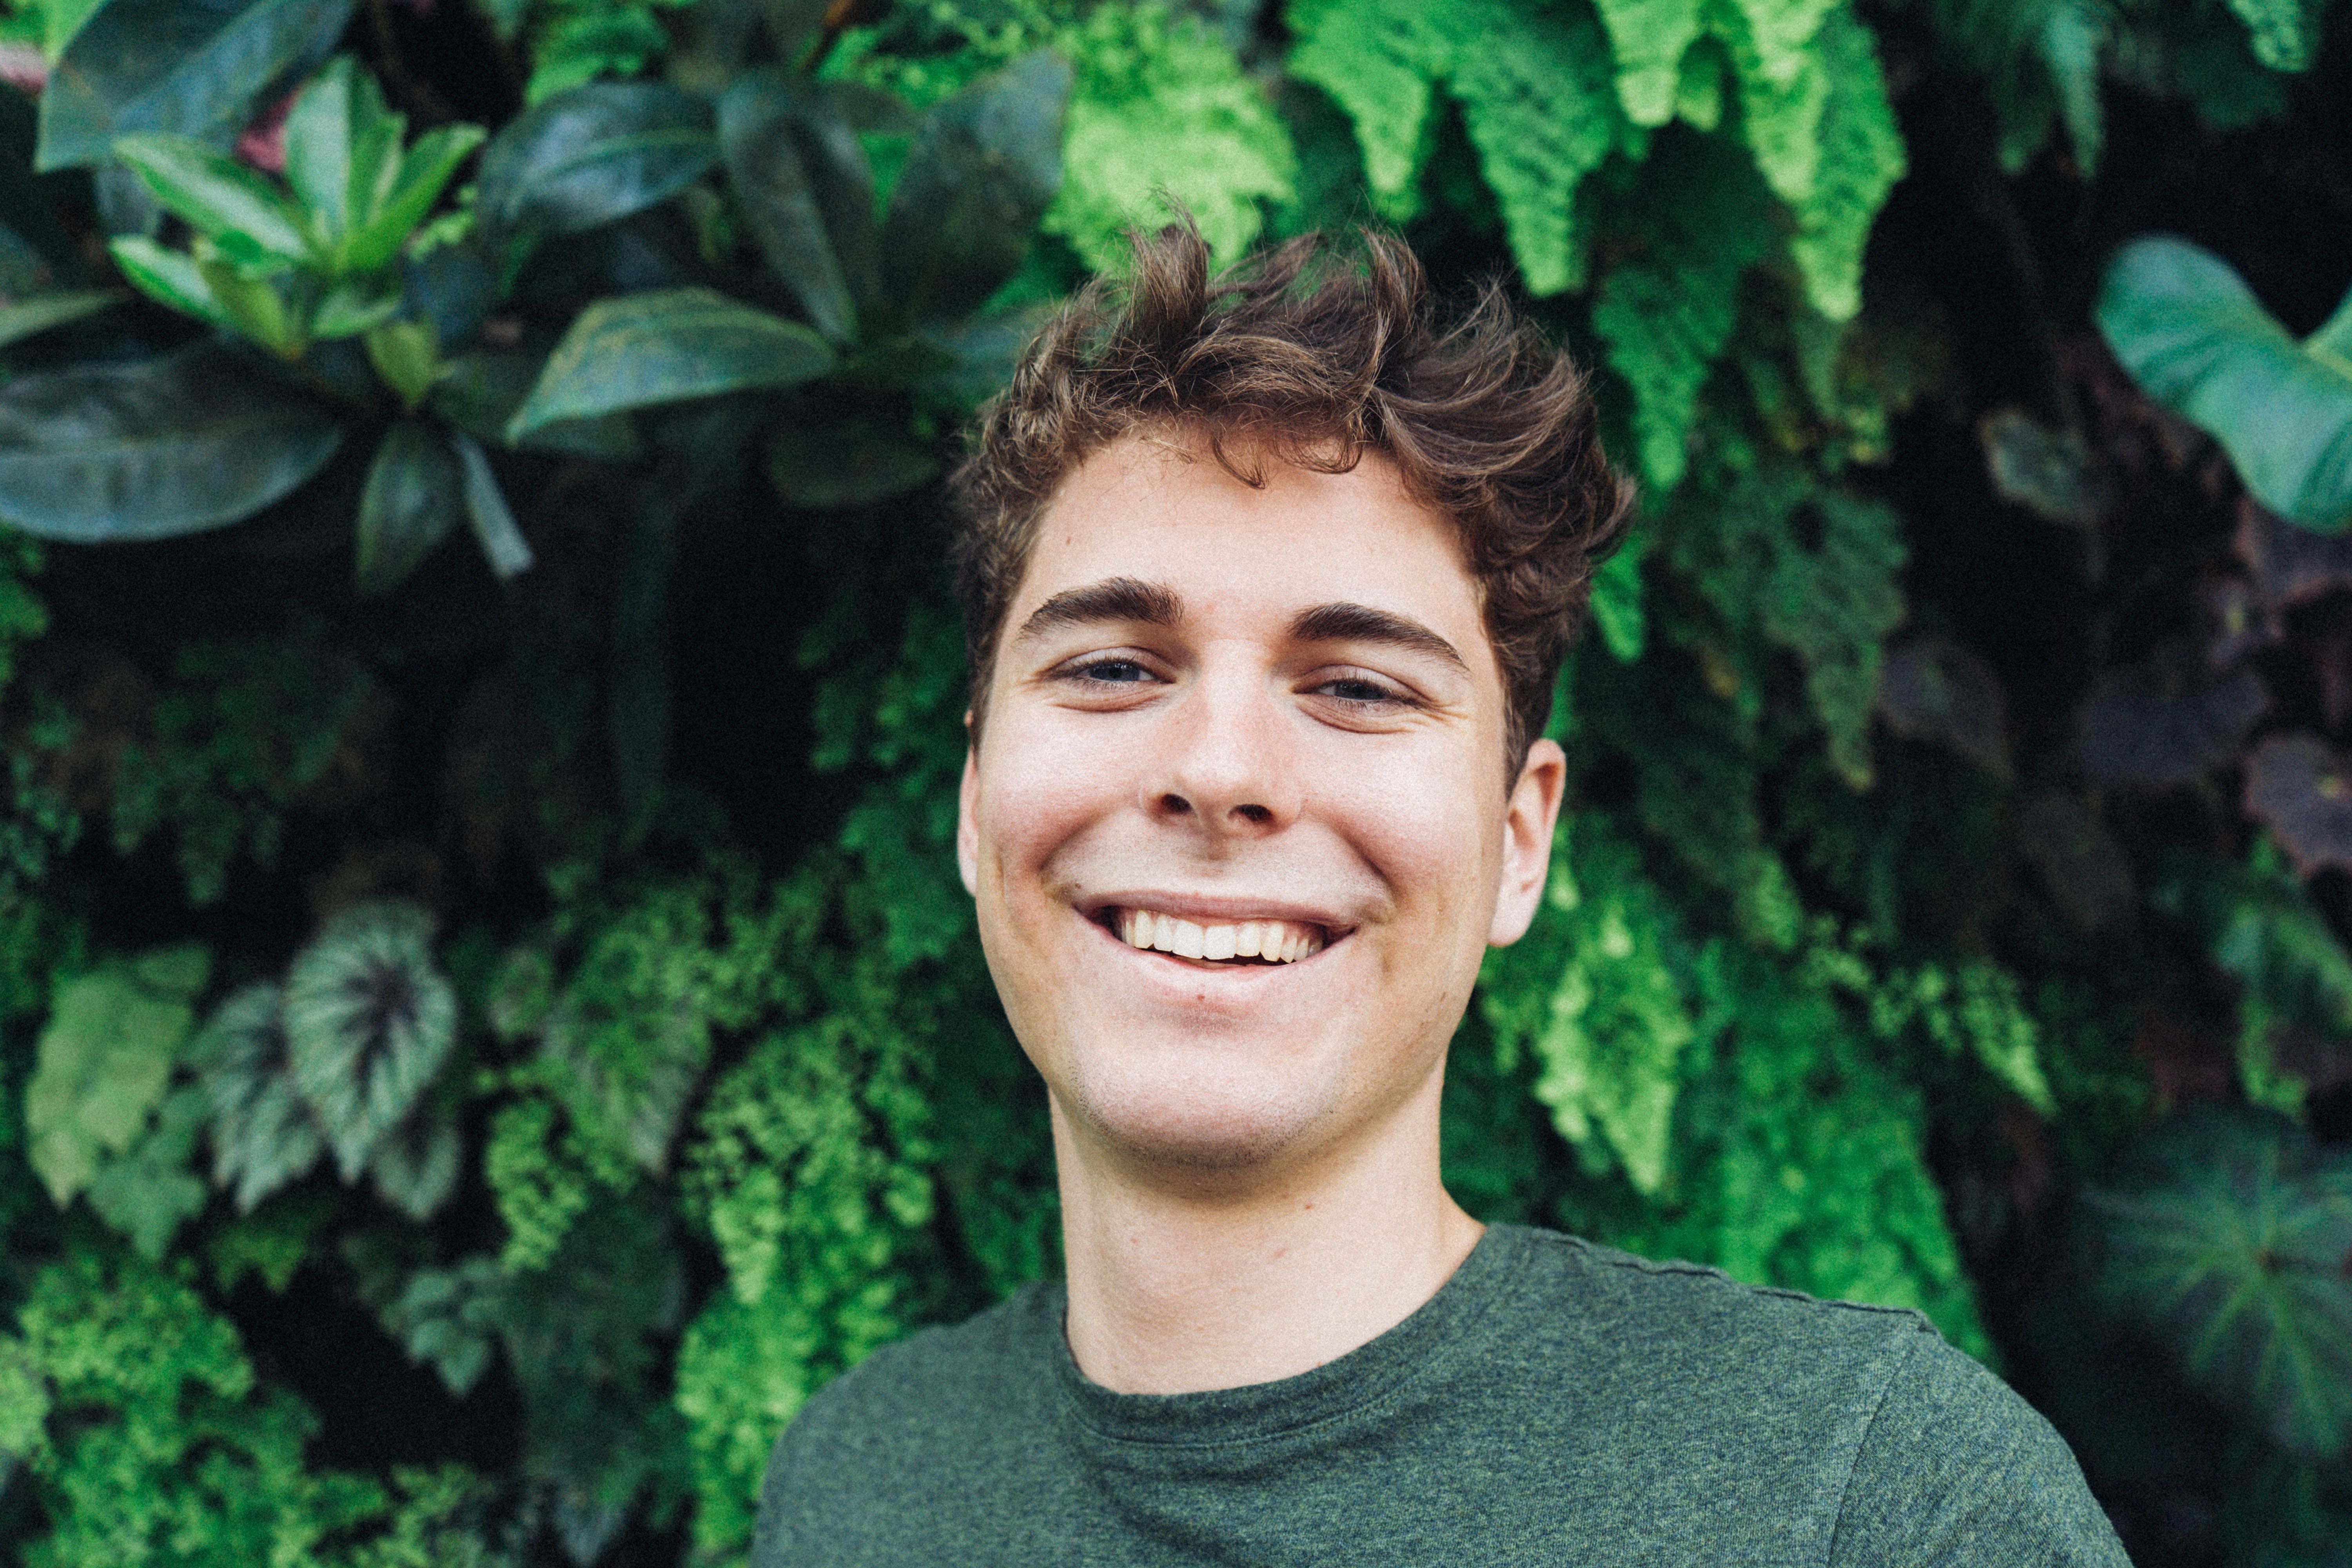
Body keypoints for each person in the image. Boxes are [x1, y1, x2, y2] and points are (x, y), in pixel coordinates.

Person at [750, 224, 2128, 1566]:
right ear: (972, 794)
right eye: (1114, 666)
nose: (1221, 771)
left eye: (1357, 686)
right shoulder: (860, 1479)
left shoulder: (1876, 1499)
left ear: (1520, 843)